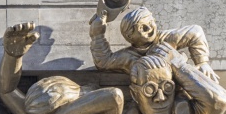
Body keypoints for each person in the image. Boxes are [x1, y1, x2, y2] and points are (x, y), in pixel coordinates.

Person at [89, 6, 219, 82]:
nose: (150, 28)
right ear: (129, 36)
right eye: (142, 27)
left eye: (152, 22)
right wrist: (97, 34)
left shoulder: (165, 38)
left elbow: (195, 32)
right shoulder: (127, 56)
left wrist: (202, 63)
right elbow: (104, 62)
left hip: (176, 87)